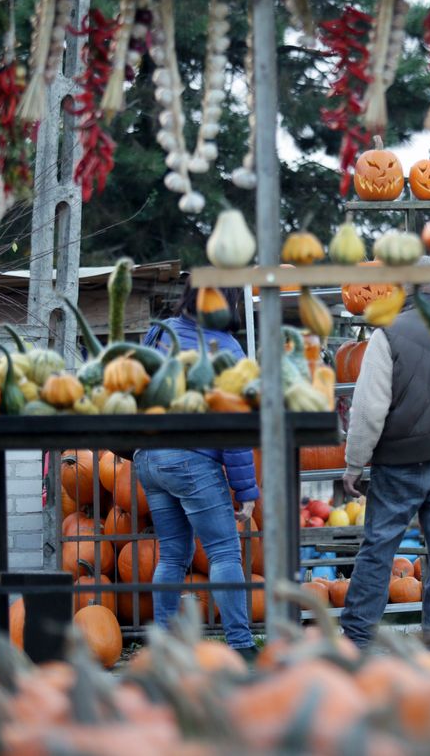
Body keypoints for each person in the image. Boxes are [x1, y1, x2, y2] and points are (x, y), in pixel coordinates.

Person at [339, 256, 430, 647]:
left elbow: (369, 407)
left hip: (402, 458)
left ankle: (357, 639)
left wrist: (355, 462)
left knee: (380, 546)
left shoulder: (388, 334)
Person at [132, 280, 259, 658]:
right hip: (191, 459)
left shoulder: (157, 335)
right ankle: (241, 644)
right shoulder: (226, 349)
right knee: (224, 552)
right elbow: (232, 423)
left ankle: (165, 645)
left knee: (172, 555)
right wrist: (246, 489)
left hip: (150, 459)